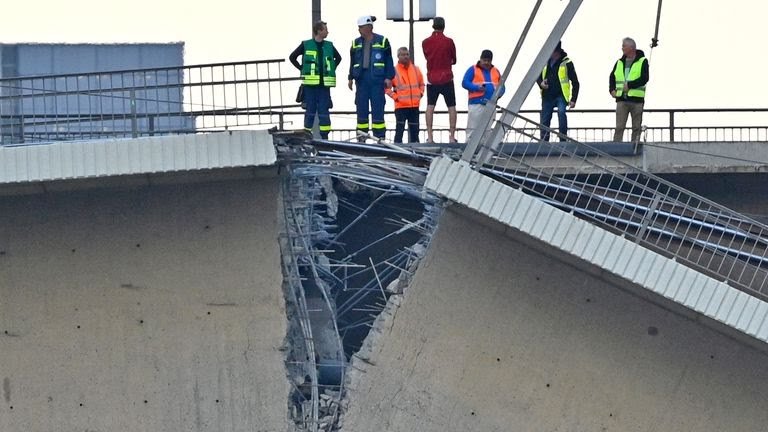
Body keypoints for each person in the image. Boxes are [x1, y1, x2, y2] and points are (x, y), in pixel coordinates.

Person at [288, 21, 342, 140]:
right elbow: (292, 57)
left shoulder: (329, 45)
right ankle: (307, 136)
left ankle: (325, 138)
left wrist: (331, 68)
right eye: (325, 29)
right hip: (310, 85)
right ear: (319, 31)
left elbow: (338, 58)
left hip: (324, 85)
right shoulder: (306, 44)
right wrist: (302, 68)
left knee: (324, 111)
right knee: (310, 110)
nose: (327, 31)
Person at [348, 15, 395, 142]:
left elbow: (389, 60)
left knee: (378, 108)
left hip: (377, 80)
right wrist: (350, 78)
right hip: (361, 80)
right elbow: (352, 61)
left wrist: (389, 77)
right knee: (361, 108)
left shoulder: (383, 41)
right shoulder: (355, 43)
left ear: (369, 27)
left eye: (361, 27)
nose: (359, 30)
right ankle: (361, 137)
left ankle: (380, 137)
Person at [421, 16, 458, 143]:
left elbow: (427, 56)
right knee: (451, 106)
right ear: (444, 26)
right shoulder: (449, 41)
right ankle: (451, 136)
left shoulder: (426, 42)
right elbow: (454, 59)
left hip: (432, 77)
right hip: (447, 77)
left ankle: (430, 137)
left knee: (430, 106)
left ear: (433, 26)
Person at [536, 41, 579, 141]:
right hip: (547, 95)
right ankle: (544, 141)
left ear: (556, 51)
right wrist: (541, 84)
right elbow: (537, 76)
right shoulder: (545, 62)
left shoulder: (567, 63)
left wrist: (573, 99)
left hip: (561, 95)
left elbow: (576, 82)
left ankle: (562, 139)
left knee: (561, 113)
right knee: (545, 118)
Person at [609, 37, 649, 144]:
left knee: (636, 127)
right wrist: (611, 90)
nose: (622, 48)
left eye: (624, 46)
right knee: (619, 127)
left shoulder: (642, 61)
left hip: (637, 100)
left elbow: (645, 78)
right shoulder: (619, 62)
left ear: (631, 48)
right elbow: (612, 76)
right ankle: (616, 146)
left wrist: (630, 85)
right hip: (622, 99)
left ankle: (634, 145)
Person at [461, 49, 505, 144]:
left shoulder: (496, 71)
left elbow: (502, 86)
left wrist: (499, 94)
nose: (486, 62)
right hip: (476, 104)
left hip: (491, 104)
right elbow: (465, 82)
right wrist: (476, 87)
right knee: (473, 128)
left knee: (487, 129)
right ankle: (469, 146)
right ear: (480, 59)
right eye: (484, 60)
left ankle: (483, 148)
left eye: (488, 61)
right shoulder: (473, 69)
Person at [385, 47, 425, 143]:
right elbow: (386, 88)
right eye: (403, 55)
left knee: (415, 131)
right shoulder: (393, 71)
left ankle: (416, 150)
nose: (406, 56)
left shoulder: (416, 69)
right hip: (401, 106)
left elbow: (422, 84)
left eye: (407, 54)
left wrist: (421, 93)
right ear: (398, 56)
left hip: (414, 106)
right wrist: (396, 97)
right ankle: (397, 150)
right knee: (399, 131)